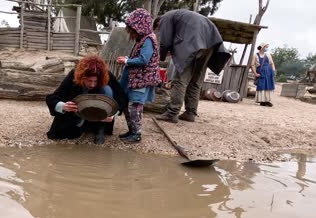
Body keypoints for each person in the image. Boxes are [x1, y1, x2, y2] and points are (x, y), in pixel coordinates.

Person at [155, 9, 231, 123]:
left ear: (157, 23)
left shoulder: (165, 18)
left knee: (180, 79)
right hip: (210, 44)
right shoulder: (178, 15)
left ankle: (172, 113)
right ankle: (190, 113)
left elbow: (165, 42)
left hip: (193, 42)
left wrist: (158, 59)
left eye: (157, 30)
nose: (159, 32)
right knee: (196, 80)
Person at [46, 55, 127, 145]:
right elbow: (53, 98)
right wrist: (63, 106)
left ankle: (100, 129)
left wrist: (113, 114)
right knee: (59, 134)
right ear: (81, 76)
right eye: (89, 80)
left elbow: (122, 98)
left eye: (95, 81)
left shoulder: (106, 75)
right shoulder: (74, 74)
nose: (92, 85)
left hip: (100, 117)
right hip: (77, 114)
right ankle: (80, 125)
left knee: (107, 89)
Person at [116, 8, 160, 143]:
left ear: (139, 26)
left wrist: (127, 61)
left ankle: (137, 134)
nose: (131, 33)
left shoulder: (148, 40)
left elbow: (144, 59)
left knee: (135, 106)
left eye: (132, 29)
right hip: (136, 79)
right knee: (127, 106)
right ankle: (132, 130)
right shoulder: (142, 39)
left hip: (142, 80)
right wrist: (128, 58)